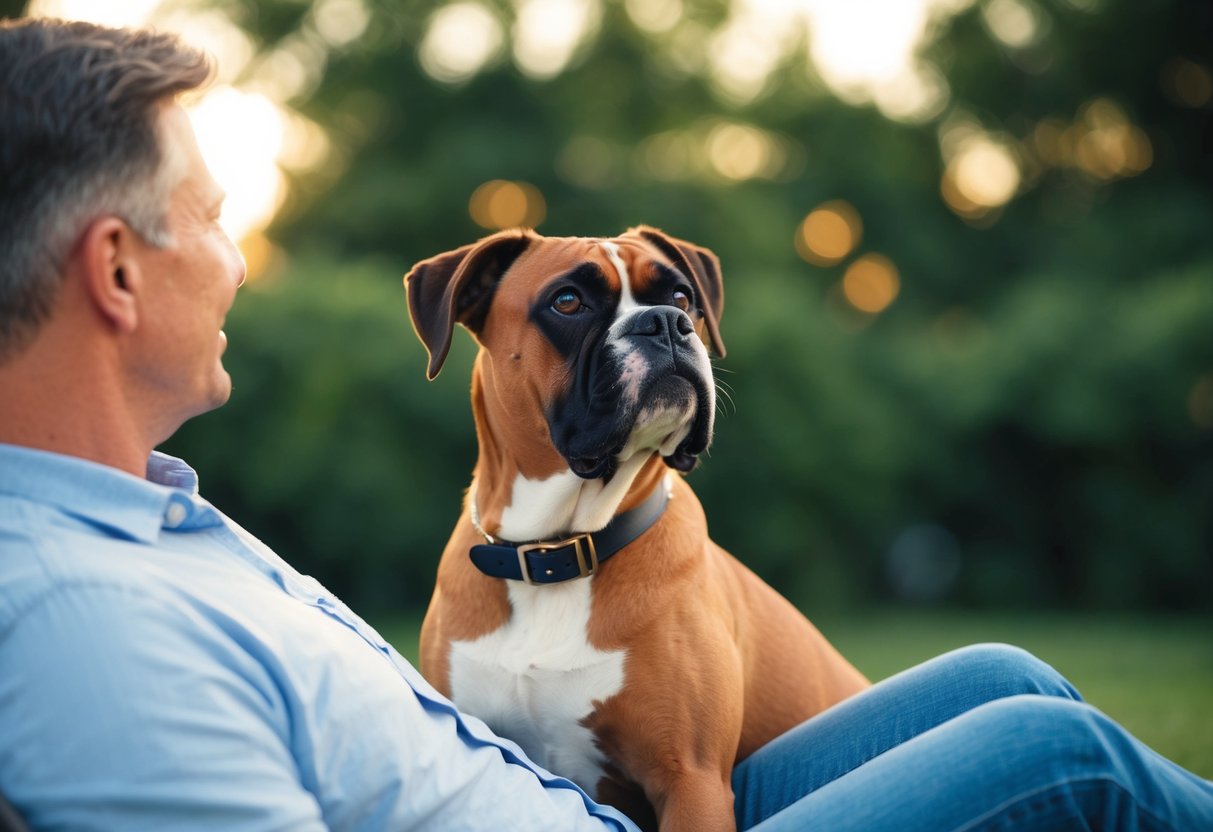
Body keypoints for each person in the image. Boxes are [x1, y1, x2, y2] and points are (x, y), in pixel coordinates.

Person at [0, 16, 1210, 832]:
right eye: (214, 219)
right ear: (115, 271)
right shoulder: (85, 616)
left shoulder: (148, 516)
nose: (242, 263)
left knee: (1008, 677)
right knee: (1068, 759)